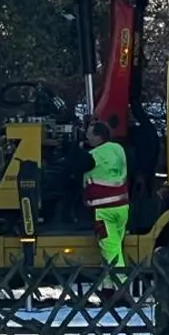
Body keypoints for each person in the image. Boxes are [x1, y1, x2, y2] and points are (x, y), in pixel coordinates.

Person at [63, 120, 130, 300]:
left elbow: (74, 166)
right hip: (122, 206)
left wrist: (74, 147)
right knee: (115, 245)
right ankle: (107, 289)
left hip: (103, 210)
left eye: (90, 134)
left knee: (110, 247)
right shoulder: (118, 149)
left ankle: (121, 287)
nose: (87, 137)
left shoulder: (93, 156)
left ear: (98, 136)